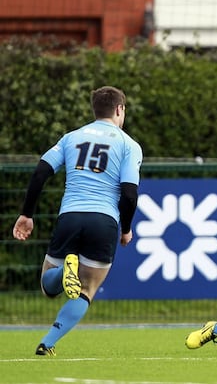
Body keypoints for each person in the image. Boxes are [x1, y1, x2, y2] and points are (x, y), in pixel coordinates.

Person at [12, 86, 142, 357]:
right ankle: (47, 343)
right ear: (119, 110)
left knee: (48, 288)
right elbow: (129, 193)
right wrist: (126, 229)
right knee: (87, 288)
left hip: (70, 216)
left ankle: (63, 272)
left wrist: (27, 214)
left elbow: (40, 173)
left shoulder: (71, 138)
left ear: (95, 109)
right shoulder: (128, 144)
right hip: (104, 221)